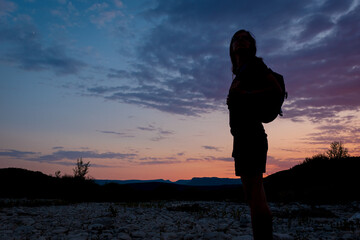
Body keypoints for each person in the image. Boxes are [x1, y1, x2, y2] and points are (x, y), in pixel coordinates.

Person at [227, 29, 282, 240]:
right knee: (252, 196)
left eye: (245, 38)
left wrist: (246, 94)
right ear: (231, 47)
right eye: (236, 39)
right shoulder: (240, 72)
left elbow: (276, 90)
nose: (240, 41)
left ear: (251, 45)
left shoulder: (256, 65)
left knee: (256, 197)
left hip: (252, 135)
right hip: (241, 137)